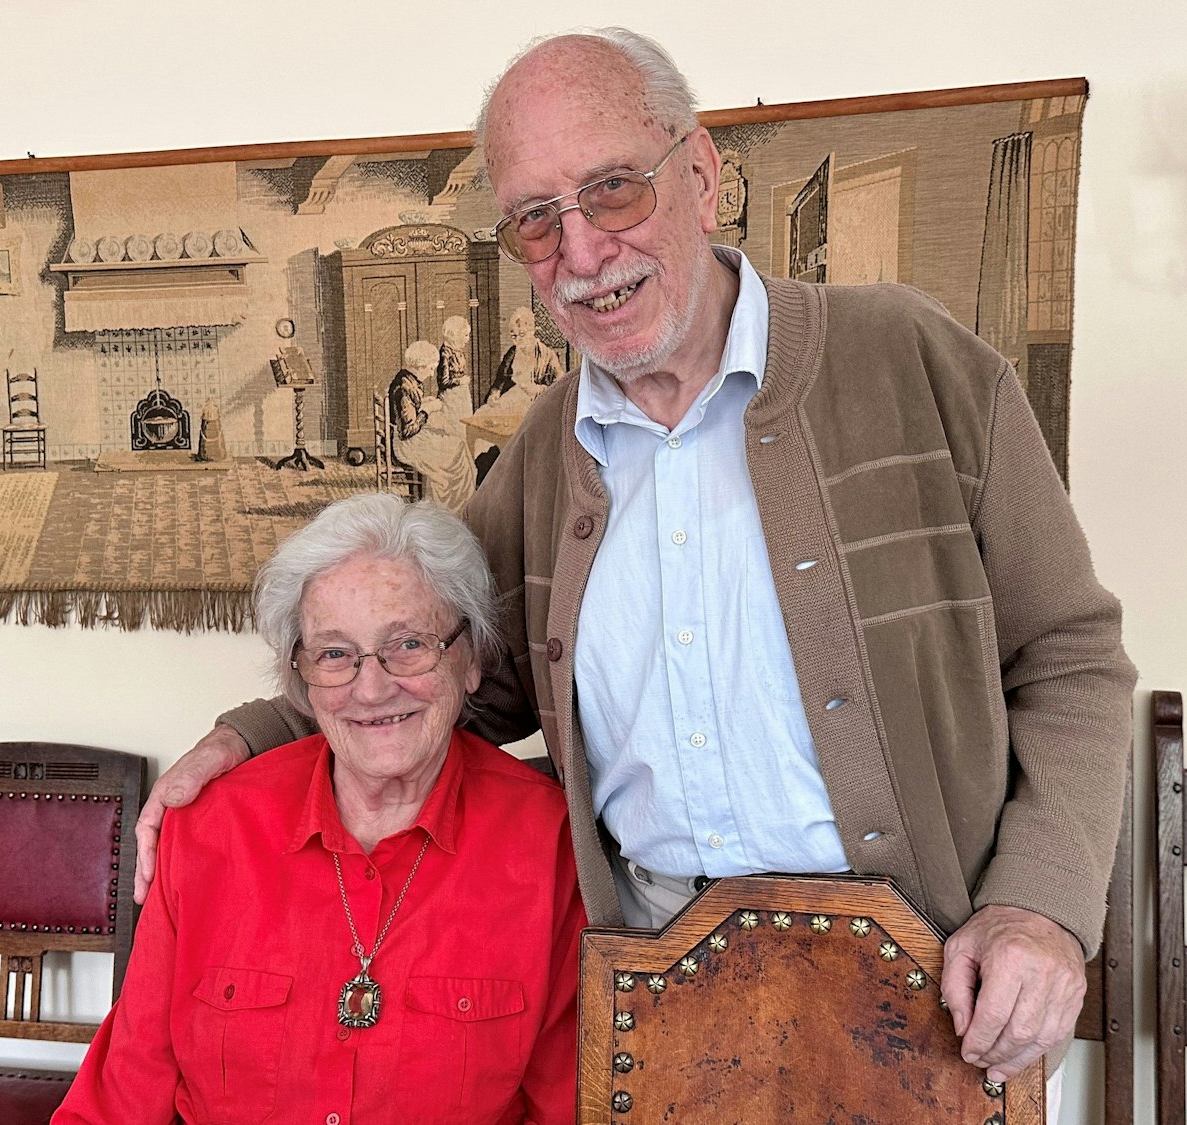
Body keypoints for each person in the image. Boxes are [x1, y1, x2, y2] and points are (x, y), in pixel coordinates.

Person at [144, 27, 1134, 1099]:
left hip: (928, 978)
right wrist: (248, 736)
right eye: (535, 220)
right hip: (651, 978)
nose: (581, 251)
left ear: (700, 176)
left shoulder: (911, 360)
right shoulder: (541, 457)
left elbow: (1070, 656)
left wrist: (1039, 904)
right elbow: (424, 657)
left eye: (612, 190)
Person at [57, 493, 582, 1125]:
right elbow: (118, 1103)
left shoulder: (548, 843)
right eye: (335, 654)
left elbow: (567, 1106)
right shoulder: (210, 830)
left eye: (408, 643)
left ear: (470, 661)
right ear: (301, 677)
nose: (371, 687)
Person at [386, 340, 474, 510]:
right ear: (420, 365)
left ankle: (447, 502)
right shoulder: (405, 387)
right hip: (407, 444)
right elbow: (407, 430)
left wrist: (423, 405)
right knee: (457, 450)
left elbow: (410, 411)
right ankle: (451, 505)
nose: (433, 373)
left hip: (409, 439)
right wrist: (426, 411)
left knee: (453, 441)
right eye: (431, 368)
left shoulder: (406, 379)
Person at [486, 308, 565, 407]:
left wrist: (538, 390)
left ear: (532, 331)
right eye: (514, 336)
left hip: (537, 404)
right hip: (511, 402)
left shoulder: (548, 355)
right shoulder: (512, 353)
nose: (518, 339)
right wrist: (495, 393)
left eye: (522, 334)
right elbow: (500, 380)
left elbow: (560, 386)